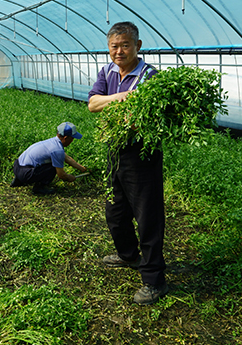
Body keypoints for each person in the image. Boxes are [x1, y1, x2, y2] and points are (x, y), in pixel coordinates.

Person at [88, 21, 168, 305]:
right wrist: (121, 98)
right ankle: (128, 255)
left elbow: (138, 119)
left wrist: (113, 106)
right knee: (115, 210)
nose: (119, 51)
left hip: (141, 154)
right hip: (114, 150)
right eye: (114, 46)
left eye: (125, 45)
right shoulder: (107, 71)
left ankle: (154, 279)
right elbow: (92, 104)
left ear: (138, 46)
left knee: (147, 215)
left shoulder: (151, 77)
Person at [11, 122, 87, 195]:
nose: (72, 140)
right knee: (53, 167)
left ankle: (18, 181)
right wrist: (69, 177)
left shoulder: (52, 142)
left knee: (47, 162)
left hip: (17, 167)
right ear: (65, 138)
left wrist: (82, 169)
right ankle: (39, 188)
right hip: (25, 173)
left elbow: (67, 158)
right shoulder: (57, 150)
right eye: (72, 138)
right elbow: (61, 175)